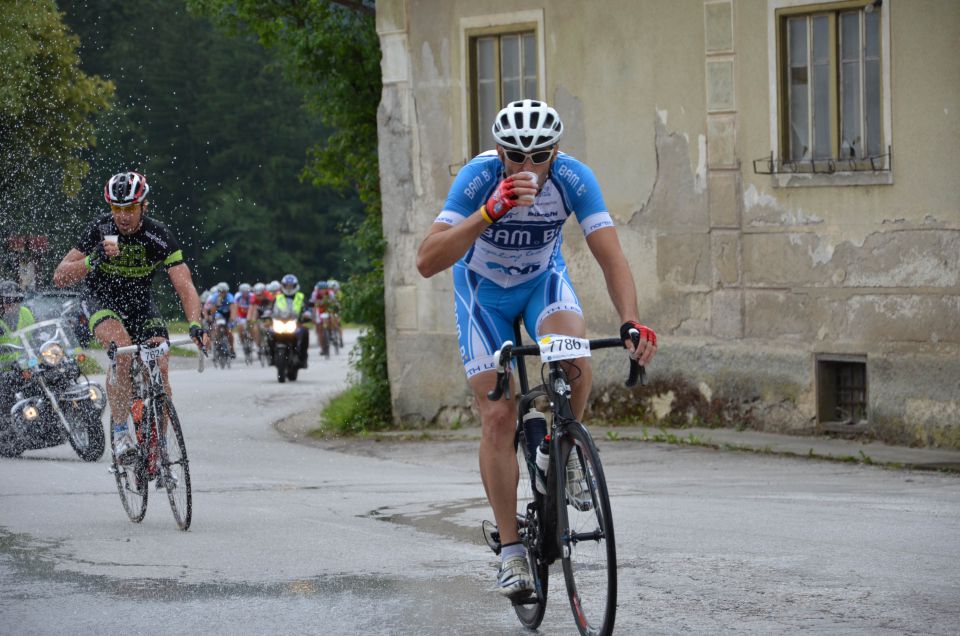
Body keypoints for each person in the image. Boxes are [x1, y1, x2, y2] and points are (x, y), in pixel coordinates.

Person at [416, 99, 657, 599]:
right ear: (499, 151)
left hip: (541, 282)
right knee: (499, 417)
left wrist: (630, 321)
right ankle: (510, 551)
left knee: (577, 363)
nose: (527, 167)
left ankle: (560, 450)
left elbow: (610, 257)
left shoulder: (573, 177)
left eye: (539, 155)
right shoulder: (480, 177)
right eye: (515, 155)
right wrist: (489, 210)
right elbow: (427, 260)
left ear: (556, 152)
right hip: (484, 294)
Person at [52, 171, 208, 463]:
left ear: (143, 206)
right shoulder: (99, 229)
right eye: (117, 209)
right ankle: (122, 433)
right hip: (102, 301)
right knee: (122, 352)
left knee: (159, 363)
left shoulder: (157, 235)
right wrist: (92, 257)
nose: (123, 216)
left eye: (130, 208)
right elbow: (60, 276)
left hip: (140, 304)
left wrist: (196, 324)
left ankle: (158, 447)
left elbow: (184, 285)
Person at [0, 281, 36, 423]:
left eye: (17, 299)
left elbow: (36, 335)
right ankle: (7, 424)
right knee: (5, 390)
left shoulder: (25, 313)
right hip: (4, 369)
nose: (12, 304)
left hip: (25, 365)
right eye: (8, 300)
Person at [271, 274, 309, 369]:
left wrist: (307, 314)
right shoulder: (278, 297)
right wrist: (267, 313)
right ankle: (271, 355)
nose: (288, 288)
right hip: (280, 322)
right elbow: (271, 309)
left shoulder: (301, 296)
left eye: (291, 286)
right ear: (283, 286)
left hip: (296, 323)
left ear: (295, 286)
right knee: (269, 333)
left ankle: (303, 357)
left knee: (305, 332)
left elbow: (307, 309)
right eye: (287, 286)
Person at [203, 282, 236, 357]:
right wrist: (217, 304)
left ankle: (232, 349)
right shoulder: (214, 297)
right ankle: (217, 342)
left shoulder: (230, 297)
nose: (223, 293)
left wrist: (232, 318)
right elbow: (212, 311)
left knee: (229, 331)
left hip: (227, 314)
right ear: (218, 291)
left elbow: (233, 308)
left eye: (225, 292)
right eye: (221, 292)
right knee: (217, 326)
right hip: (219, 313)